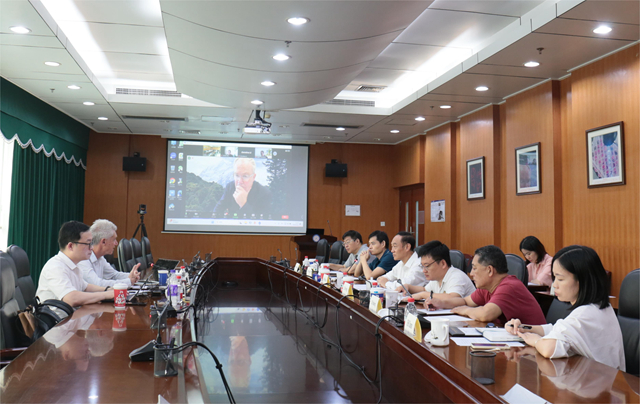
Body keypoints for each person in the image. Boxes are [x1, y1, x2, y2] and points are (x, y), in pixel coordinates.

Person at [506, 245, 625, 371]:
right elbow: (559, 329)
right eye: (554, 278)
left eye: (560, 279)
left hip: (599, 379)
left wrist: (536, 341)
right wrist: (523, 328)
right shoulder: (598, 306)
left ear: (582, 280)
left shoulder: (586, 314)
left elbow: (549, 349)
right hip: (599, 377)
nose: (554, 285)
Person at [426, 245, 546, 325]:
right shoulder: (487, 286)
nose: (471, 274)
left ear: (489, 270)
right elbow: (465, 301)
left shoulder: (509, 287)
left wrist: (465, 310)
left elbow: (485, 314)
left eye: (474, 268)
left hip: (533, 347)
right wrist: (441, 303)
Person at [36, 221, 115, 308]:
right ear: (71, 246)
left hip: (72, 314)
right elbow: (71, 298)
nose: (91, 248)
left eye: (91, 243)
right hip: (56, 316)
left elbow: (85, 287)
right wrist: (106, 295)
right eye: (88, 243)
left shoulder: (74, 264)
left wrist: (108, 289)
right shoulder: (55, 267)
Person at [401, 241, 475, 304]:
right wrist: (408, 287)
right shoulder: (437, 278)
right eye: (422, 266)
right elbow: (424, 290)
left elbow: (453, 298)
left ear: (443, 263)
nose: (424, 270)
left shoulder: (457, 276)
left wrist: (423, 295)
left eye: (427, 266)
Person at [78, 219, 141, 288]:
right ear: (103, 241)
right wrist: (128, 281)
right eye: (114, 239)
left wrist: (132, 276)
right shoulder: (83, 259)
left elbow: (113, 275)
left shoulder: (100, 257)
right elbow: (97, 284)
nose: (116, 243)